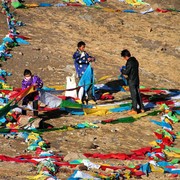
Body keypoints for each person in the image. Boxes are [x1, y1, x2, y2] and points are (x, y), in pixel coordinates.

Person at [120, 49, 144, 114]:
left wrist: (122, 70)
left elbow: (127, 72)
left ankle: (134, 109)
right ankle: (142, 108)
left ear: (125, 56)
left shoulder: (129, 62)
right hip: (136, 79)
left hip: (132, 80)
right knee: (138, 93)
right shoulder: (135, 61)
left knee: (133, 95)